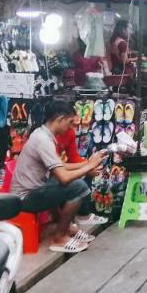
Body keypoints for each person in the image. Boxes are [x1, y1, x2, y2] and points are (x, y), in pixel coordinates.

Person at [11, 99, 107, 253]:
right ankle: (59, 238)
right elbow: (64, 176)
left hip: (32, 191)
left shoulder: (42, 134)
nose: (71, 127)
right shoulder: (43, 140)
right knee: (78, 187)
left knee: (59, 181)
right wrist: (88, 166)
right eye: (69, 122)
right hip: (25, 198)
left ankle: (67, 228)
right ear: (60, 119)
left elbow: (60, 167)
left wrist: (87, 164)